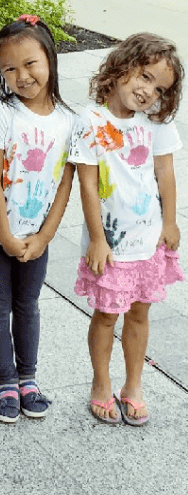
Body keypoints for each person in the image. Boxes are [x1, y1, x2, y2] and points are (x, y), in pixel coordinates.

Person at [69, 34, 184, 425]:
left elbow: (165, 172)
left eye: (160, 88)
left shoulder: (156, 123)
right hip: (110, 246)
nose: (149, 91)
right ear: (121, 67)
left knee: (139, 314)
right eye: (145, 77)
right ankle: (101, 383)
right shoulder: (90, 121)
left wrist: (170, 221)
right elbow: (87, 185)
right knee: (106, 315)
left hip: (148, 241)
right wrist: (97, 240)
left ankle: (133, 385)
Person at [0, 16, 75, 423]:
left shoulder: (70, 121)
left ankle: (28, 380)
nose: (22, 76)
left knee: (28, 306)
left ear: (50, 58)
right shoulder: (1, 116)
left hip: (37, 238)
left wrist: (44, 237)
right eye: (9, 69)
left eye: (31, 63)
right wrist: (2, 233)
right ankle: (5, 382)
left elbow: (65, 183)